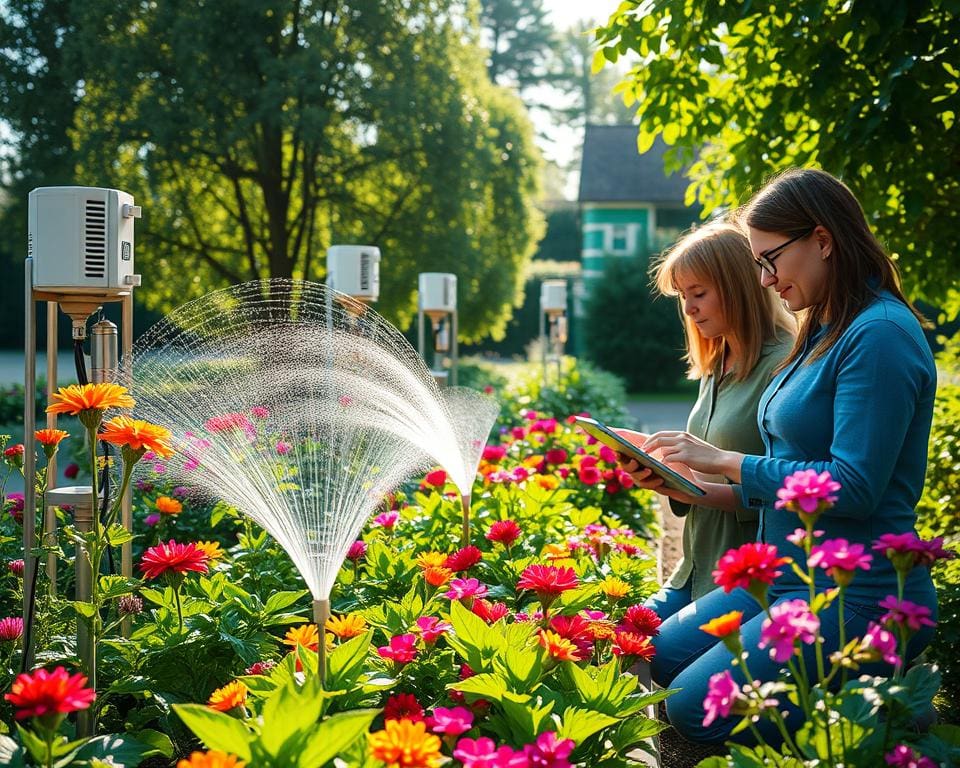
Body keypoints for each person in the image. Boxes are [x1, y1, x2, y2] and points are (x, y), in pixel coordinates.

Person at [624, 168, 938, 746]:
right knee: (661, 658)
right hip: (793, 573)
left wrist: (725, 461)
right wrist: (686, 483)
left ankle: (892, 713)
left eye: (770, 260)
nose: (764, 279)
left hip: (859, 589)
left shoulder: (880, 335)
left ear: (823, 240)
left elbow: (855, 486)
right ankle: (857, 693)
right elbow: (791, 472)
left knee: (698, 710)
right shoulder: (823, 328)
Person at [620, 220, 794, 622]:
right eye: (683, 296)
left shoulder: (784, 365)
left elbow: (783, 488)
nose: (689, 308)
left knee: (645, 656)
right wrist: (659, 468)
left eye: (699, 293)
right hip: (696, 567)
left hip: (746, 581)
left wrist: (695, 490)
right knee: (619, 641)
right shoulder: (717, 365)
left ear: (740, 288)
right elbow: (702, 470)